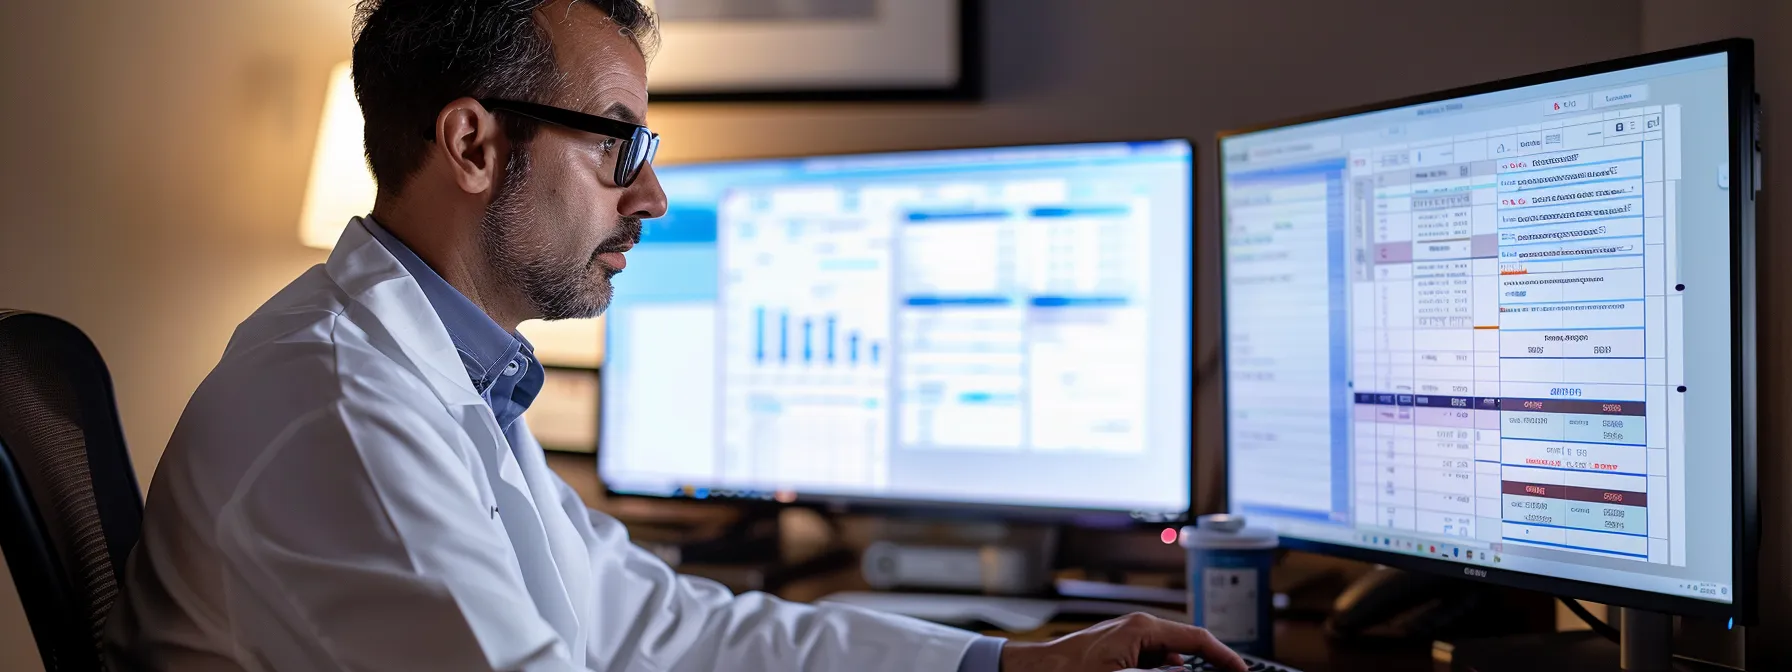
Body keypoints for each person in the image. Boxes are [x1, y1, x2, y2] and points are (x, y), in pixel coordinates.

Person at [102, 1, 1246, 671]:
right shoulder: (341, 411)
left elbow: (660, 625)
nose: (650, 199)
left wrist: (1004, 664)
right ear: (471, 145)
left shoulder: (439, 373)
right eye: (619, 147)